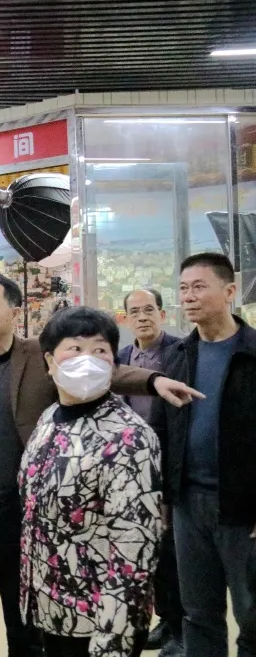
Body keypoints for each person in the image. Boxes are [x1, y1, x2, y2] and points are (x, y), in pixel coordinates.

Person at [0, 272, 200, 657]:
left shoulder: (40, 355)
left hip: (22, 512)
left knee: (24, 624)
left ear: (14, 312)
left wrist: (152, 382)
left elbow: (98, 367)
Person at [20, 306, 163, 657]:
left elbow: (134, 548)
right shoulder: (50, 419)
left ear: (113, 362)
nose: (88, 360)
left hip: (100, 619)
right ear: (50, 361)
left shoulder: (129, 437)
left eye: (100, 350)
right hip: (51, 608)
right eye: (75, 348)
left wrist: (112, 639)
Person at [151, 252, 256, 657]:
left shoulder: (251, 352)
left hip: (242, 508)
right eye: (183, 288)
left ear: (229, 291)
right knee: (197, 613)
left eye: (199, 287)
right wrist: (165, 498)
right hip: (188, 505)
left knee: (252, 614)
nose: (188, 297)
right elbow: (163, 430)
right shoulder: (178, 355)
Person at [116, 288, 183, 656]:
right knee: (147, 553)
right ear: (125, 318)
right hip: (132, 474)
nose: (142, 317)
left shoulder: (179, 353)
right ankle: (165, 620)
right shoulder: (122, 358)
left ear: (162, 313)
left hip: (168, 469)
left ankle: (180, 627)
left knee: (173, 555)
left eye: (149, 310)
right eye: (135, 312)